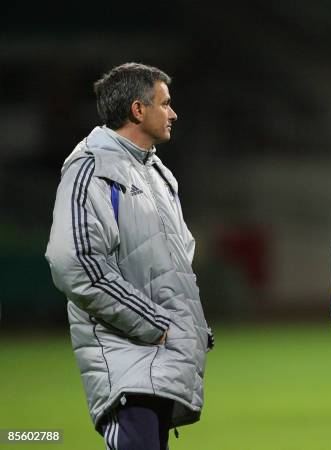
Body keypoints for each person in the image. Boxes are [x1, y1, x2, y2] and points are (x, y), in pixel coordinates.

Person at [45, 63, 213, 449]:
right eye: (165, 103)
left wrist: (188, 329)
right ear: (138, 110)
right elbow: (76, 264)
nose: (173, 113)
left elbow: (178, 263)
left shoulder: (158, 173)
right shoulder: (91, 169)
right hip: (127, 365)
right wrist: (155, 324)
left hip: (159, 363)